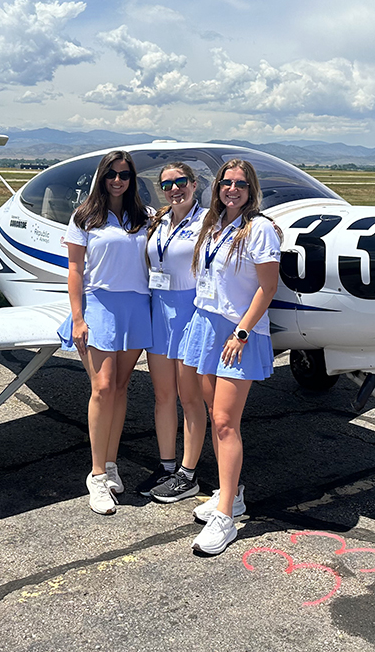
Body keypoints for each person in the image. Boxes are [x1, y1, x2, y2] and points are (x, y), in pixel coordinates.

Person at [180, 159, 280, 555]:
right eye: (226, 183)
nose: (232, 189)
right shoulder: (213, 224)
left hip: (238, 332)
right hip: (206, 325)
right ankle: (230, 493)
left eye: (239, 184)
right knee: (212, 412)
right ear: (217, 187)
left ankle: (226, 518)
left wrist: (241, 331)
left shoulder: (260, 230)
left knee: (224, 422)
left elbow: (267, 287)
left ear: (250, 188)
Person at [57, 151, 151, 515]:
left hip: (135, 307)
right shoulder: (84, 217)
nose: (117, 180)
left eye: (124, 174)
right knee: (102, 387)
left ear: (132, 179)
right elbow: (75, 270)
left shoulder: (142, 218)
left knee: (121, 387)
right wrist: (78, 317)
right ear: (102, 176)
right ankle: (96, 475)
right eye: (111, 174)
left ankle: (111, 464)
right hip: (99, 306)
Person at [137, 163, 207, 503]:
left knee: (190, 398)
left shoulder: (208, 221)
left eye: (181, 182)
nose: (174, 188)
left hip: (190, 315)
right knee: (163, 396)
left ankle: (188, 474)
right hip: (158, 315)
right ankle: (166, 466)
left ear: (194, 185)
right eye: (167, 184)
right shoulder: (158, 221)